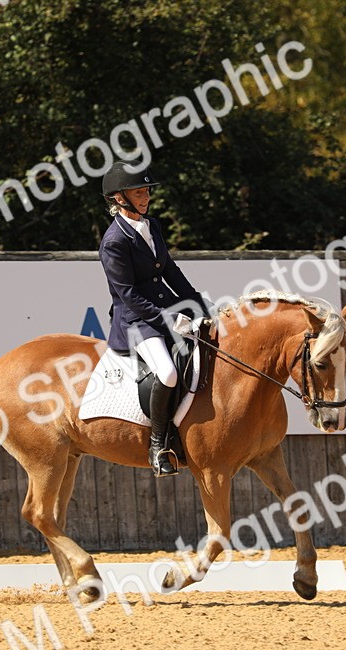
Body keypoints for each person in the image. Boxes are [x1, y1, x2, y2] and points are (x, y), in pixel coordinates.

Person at [98, 161, 210, 477]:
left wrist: (197, 304)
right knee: (168, 372)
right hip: (136, 323)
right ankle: (158, 445)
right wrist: (169, 320)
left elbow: (170, 270)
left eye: (146, 190)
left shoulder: (152, 226)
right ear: (119, 198)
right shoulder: (114, 242)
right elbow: (127, 294)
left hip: (167, 309)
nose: (145, 196)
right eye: (139, 191)